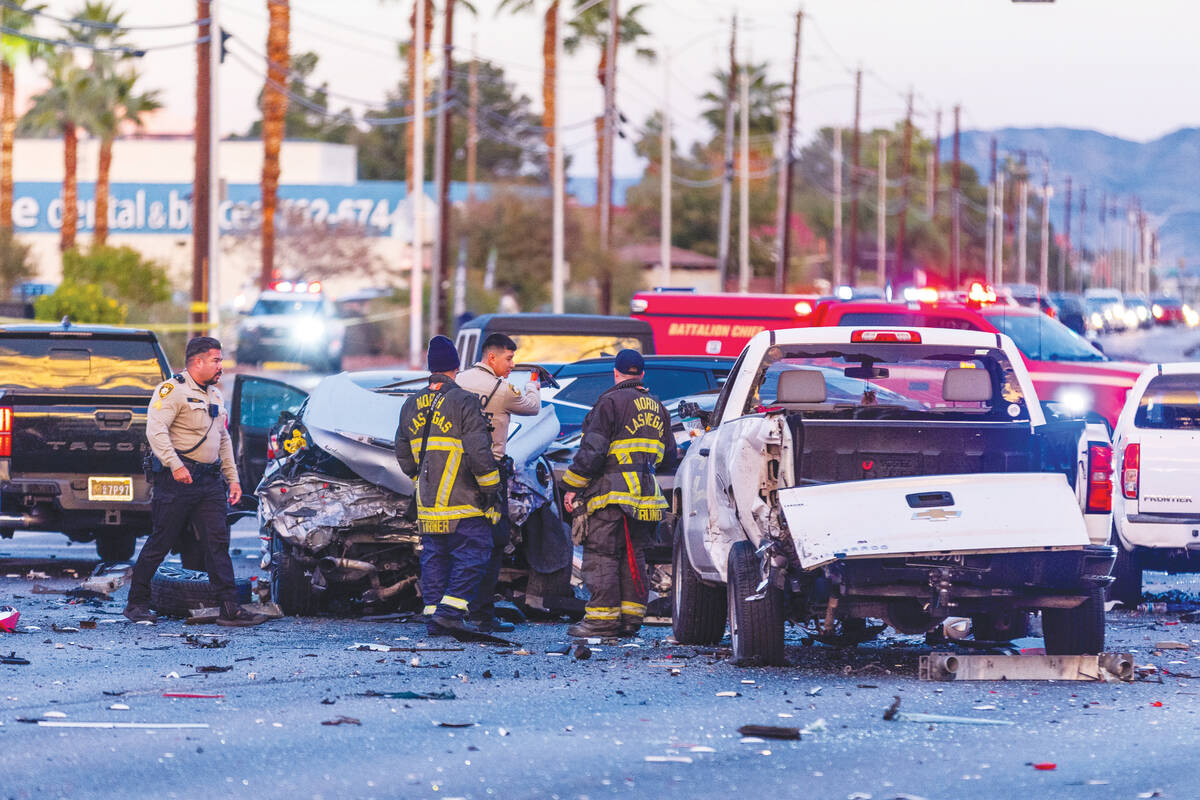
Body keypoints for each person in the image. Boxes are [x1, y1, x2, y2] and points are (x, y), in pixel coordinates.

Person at [125, 336, 267, 627]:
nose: (221, 366)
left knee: (217, 543)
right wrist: (175, 466)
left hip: (209, 482)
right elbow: (156, 431)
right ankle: (136, 603)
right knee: (160, 542)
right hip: (177, 480)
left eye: (220, 360)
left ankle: (230, 608)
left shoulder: (214, 394)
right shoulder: (172, 390)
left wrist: (234, 479)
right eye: (216, 360)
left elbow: (223, 438)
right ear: (198, 362)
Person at [560, 349, 678, 638]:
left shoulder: (609, 402)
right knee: (633, 557)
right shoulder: (658, 406)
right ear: (642, 374)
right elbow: (669, 456)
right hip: (645, 501)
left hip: (610, 498)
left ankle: (601, 621)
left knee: (602, 555)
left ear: (615, 373)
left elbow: (592, 452)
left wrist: (572, 486)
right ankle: (629, 621)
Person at [395, 335, 502, 635]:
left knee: (434, 555)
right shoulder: (464, 400)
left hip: (428, 501)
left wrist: (420, 478)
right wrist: (491, 490)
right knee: (474, 551)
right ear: (456, 367)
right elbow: (480, 453)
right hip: (462, 499)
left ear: (431, 368)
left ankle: (434, 615)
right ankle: (450, 612)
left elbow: (402, 452)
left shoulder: (411, 403)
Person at [456, 333, 542, 632]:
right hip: (490, 471)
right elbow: (532, 407)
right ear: (491, 358)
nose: (511, 364)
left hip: (455, 471)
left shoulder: (459, 381)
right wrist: (534, 383)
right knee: (494, 540)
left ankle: (452, 611)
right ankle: (481, 613)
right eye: (508, 358)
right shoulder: (503, 388)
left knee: (456, 539)